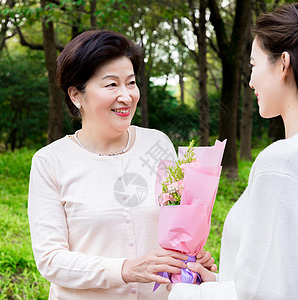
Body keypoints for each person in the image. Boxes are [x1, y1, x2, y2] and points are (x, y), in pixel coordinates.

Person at [168, 3, 298, 299]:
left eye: (253, 65)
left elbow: (263, 295)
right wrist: (216, 282)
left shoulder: (282, 163)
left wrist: (183, 293)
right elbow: (287, 279)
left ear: (283, 63)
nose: (250, 81)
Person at [28, 30, 215, 300]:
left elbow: (178, 227)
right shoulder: (50, 162)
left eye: (131, 83)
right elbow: (50, 259)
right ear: (75, 95)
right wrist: (125, 269)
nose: (126, 96)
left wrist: (193, 260)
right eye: (111, 85)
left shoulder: (158, 144)